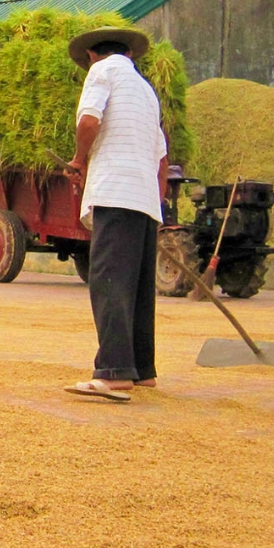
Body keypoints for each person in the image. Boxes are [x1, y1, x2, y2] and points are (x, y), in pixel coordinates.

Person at [62, 26, 167, 403]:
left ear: (92, 55)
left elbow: (89, 121)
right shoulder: (145, 90)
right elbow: (162, 155)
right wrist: (156, 199)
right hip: (144, 198)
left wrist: (78, 159)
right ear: (129, 54)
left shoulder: (101, 72)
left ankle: (114, 370)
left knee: (108, 280)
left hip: (116, 191)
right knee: (137, 287)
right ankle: (142, 369)